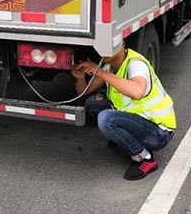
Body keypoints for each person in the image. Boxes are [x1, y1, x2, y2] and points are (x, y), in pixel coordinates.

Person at [72, 42, 176, 180]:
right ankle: (125, 138)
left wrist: (100, 72)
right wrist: (80, 78)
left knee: (105, 119)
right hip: (138, 120)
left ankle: (145, 158)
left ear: (122, 43)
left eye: (111, 45)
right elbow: (83, 91)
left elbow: (137, 91)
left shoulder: (136, 64)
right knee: (92, 105)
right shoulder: (109, 67)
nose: (106, 50)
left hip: (158, 132)